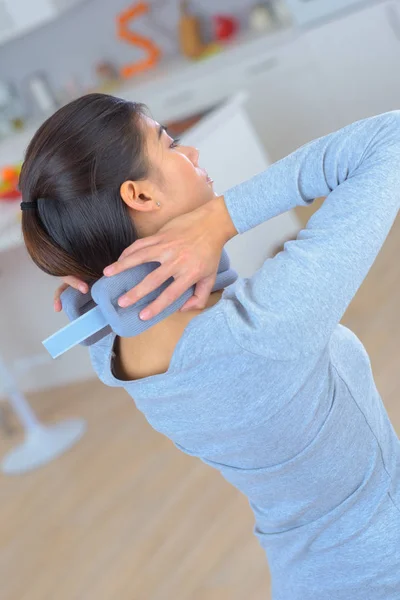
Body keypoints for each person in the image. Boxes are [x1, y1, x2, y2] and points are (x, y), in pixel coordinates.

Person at [19, 93, 400, 599]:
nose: (193, 155)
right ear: (140, 195)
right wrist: (223, 217)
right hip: (378, 570)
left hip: (312, 574)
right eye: (171, 144)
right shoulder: (261, 330)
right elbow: (389, 139)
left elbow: (109, 305)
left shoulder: (113, 349)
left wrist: (95, 274)